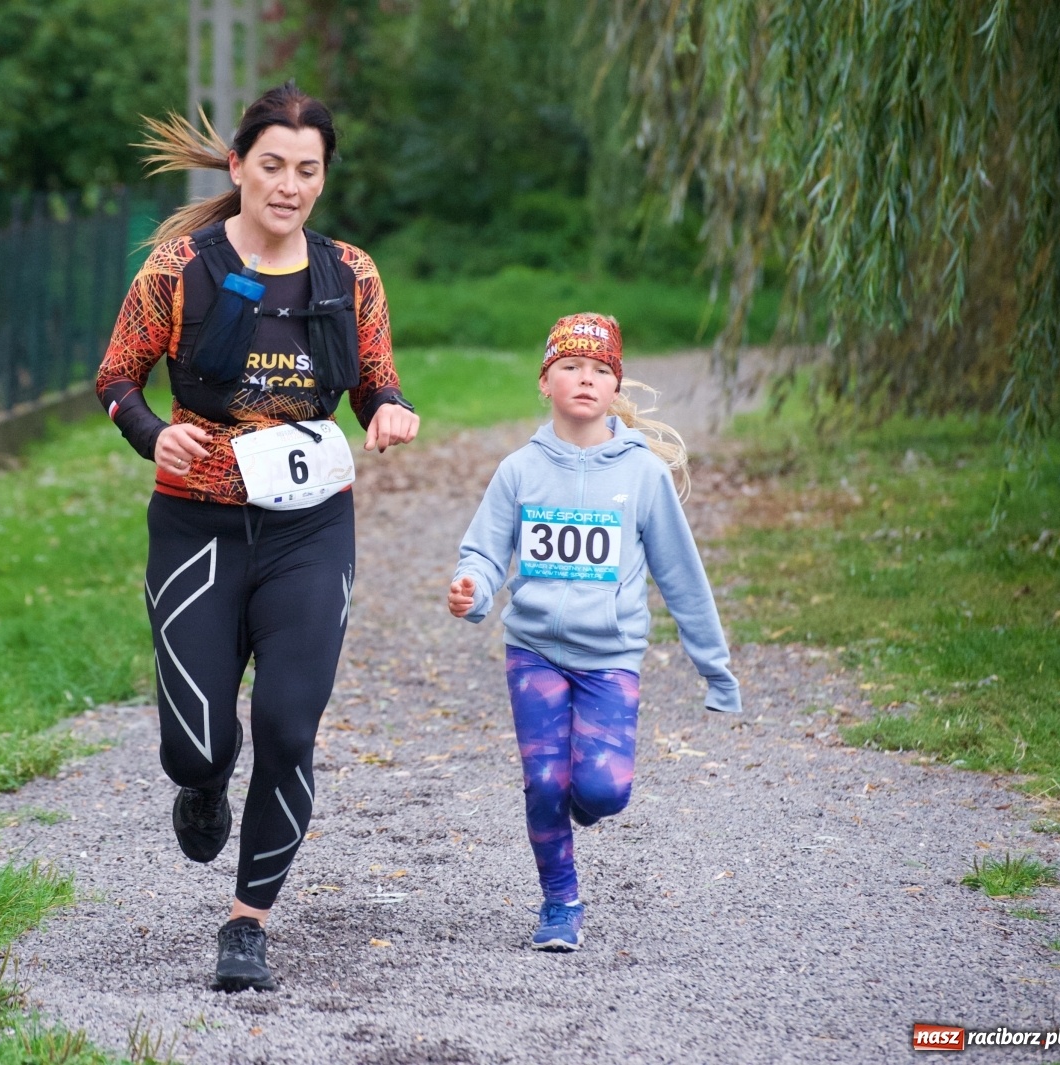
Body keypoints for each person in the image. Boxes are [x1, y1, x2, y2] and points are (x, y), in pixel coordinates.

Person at [95, 82, 419, 991]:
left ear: (322, 178)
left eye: (307, 170)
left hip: (309, 531)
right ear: (238, 166)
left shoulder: (348, 273)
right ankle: (201, 786)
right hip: (197, 522)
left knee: (287, 722)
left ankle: (249, 920)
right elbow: (117, 378)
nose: (288, 185)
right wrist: (156, 433)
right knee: (195, 745)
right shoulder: (178, 270)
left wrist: (389, 412)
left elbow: (377, 382)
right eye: (272, 165)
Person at [446, 312, 740, 952]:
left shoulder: (642, 476)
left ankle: (581, 802)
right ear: (545, 381)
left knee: (602, 790)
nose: (585, 378)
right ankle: (560, 903)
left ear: (616, 387)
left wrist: (715, 670)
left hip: (611, 658)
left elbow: (681, 577)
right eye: (570, 367)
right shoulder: (519, 470)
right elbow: (485, 554)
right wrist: (471, 593)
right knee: (545, 782)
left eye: (600, 370)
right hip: (534, 654)